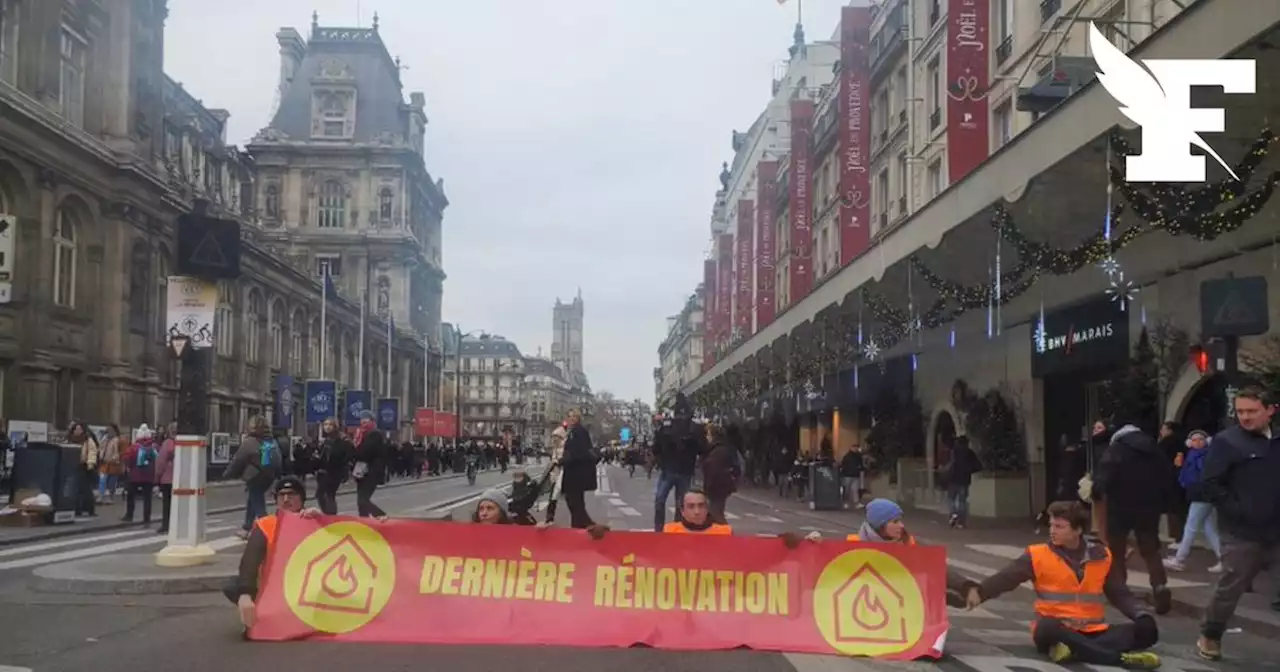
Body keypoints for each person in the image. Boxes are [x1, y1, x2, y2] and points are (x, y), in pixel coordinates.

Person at [964, 500, 1161, 669]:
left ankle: (1074, 651)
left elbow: (1119, 593)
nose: (1052, 531)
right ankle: (1116, 658)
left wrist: (1140, 614)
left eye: (1059, 527)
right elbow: (1006, 578)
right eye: (1051, 525)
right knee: (1046, 627)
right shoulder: (1037, 555)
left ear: (1078, 530)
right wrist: (980, 593)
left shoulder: (1101, 555)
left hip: (1094, 631)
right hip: (1056, 629)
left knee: (1147, 630)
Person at [1197, 385, 1279, 662]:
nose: (1245, 417)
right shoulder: (1227, 442)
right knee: (1230, 589)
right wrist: (1239, 509)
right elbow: (1210, 484)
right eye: (1240, 411)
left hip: (1277, 531)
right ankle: (1211, 634)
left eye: (1252, 411)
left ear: (1270, 410)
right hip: (1241, 533)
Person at [1091, 422, 1174, 615]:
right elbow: (1167, 476)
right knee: (1150, 549)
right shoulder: (1154, 449)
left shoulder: (1117, 449)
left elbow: (1104, 474)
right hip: (1149, 507)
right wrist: (1165, 503)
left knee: (1116, 550)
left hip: (1120, 506)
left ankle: (1120, 591)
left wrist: (1096, 491)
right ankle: (1159, 585)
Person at [227, 476, 321, 630]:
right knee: (232, 585)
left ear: (302, 499)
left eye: (291, 495)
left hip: (305, 588)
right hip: (274, 588)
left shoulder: (312, 521)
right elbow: (250, 561)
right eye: (281, 495)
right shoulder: (266, 524)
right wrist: (245, 593)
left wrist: (322, 520)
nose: (286, 499)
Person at [1164, 429, 1222, 573]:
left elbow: (1198, 477)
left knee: (1191, 527)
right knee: (1209, 529)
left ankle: (1179, 559)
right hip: (1202, 495)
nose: (1198, 442)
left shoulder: (1201, 457)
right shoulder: (1197, 455)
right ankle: (1224, 559)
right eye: (1195, 440)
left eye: (1201, 439)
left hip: (1201, 495)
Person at [224, 416, 282, 539]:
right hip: (269, 476)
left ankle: (268, 530)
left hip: (255, 476)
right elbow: (278, 460)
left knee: (258, 504)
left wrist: (227, 474)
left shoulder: (249, 442)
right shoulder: (271, 441)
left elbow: (238, 460)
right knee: (252, 501)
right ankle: (246, 528)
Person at [650, 393, 701, 531]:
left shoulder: (667, 427)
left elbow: (656, 448)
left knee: (660, 500)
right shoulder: (694, 428)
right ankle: (677, 529)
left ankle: (659, 529)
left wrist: (660, 459)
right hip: (685, 470)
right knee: (681, 502)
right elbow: (701, 449)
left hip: (669, 469)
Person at [559, 409, 597, 529]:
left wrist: (563, 460)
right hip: (574, 472)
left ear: (578, 418)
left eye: (574, 416)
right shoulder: (574, 431)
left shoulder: (579, 432)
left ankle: (589, 525)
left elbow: (578, 452)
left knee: (574, 502)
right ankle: (577, 527)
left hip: (576, 473)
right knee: (576, 502)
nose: (571, 419)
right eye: (570, 416)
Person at [352, 412, 389, 520]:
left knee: (362, 500)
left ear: (372, 421)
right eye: (362, 419)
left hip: (371, 472)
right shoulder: (362, 434)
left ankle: (382, 516)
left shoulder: (375, 434)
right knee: (361, 502)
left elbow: (366, 452)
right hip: (362, 472)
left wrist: (354, 451)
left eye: (366, 419)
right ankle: (364, 523)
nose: (363, 421)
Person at [700, 422, 739, 525]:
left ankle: (726, 535)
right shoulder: (719, 448)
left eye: (708, 434)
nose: (706, 437)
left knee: (716, 514)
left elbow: (714, 470)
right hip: (720, 486)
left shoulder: (718, 450)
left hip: (717, 487)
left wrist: (708, 488)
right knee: (715, 514)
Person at [313, 417, 350, 515]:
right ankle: (329, 515)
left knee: (328, 495)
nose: (327, 427)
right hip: (324, 472)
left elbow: (343, 455)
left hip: (333, 472)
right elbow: (322, 456)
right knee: (322, 495)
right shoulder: (326, 440)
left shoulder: (340, 439)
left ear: (335, 426)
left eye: (330, 424)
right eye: (325, 424)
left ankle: (331, 517)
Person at [944, 436, 981, 529]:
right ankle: (961, 522)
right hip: (964, 480)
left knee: (951, 499)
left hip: (953, 479)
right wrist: (969, 470)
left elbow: (949, 464)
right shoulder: (970, 453)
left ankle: (953, 514)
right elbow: (978, 466)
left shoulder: (953, 452)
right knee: (962, 501)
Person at [663, 489, 731, 535]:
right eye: (691, 506)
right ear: (682, 511)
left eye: (701, 506)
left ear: (707, 509)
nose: (697, 512)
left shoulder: (724, 532)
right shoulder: (670, 531)